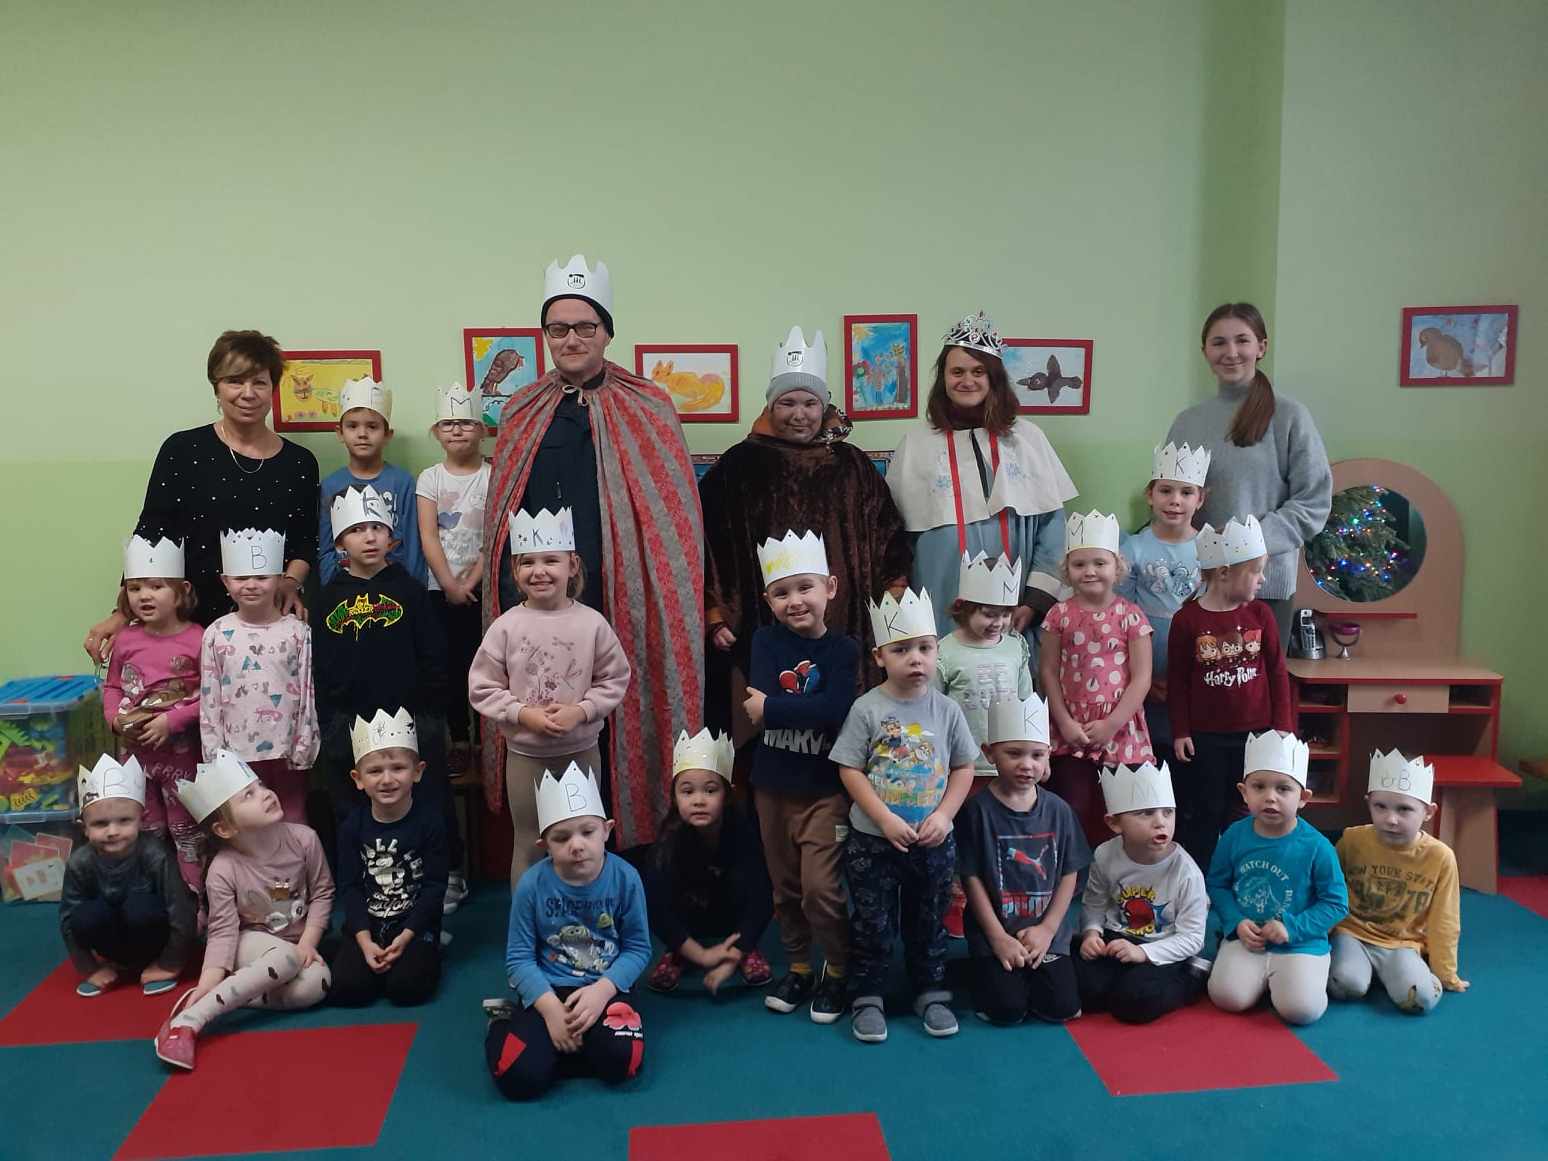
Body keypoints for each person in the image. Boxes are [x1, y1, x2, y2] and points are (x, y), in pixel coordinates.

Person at [483, 255, 703, 848]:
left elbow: (673, 520)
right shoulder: (522, 409)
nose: (572, 339)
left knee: (617, 708)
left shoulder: (648, 404)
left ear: (607, 332)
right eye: (558, 328)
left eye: (586, 326)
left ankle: (629, 848)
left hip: (624, 591)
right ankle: (554, 857)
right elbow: (505, 512)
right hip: (540, 597)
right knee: (548, 723)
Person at [699, 326, 909, 715]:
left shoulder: (851, 464)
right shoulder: (738, 467)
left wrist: (894, 592)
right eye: (787, 403)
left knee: (841, 711)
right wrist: (717, 612)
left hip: (846, 622)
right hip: (766, 623)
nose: (800, 415)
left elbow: (888, 534)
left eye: (810, 403)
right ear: (770, 406)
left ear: (824, 406)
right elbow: (708, 543)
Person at [84, 330, 318, 663]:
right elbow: (153, 531)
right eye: (234, 381)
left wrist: (291, 583)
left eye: (259, 382)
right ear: (216, 387)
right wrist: (123, 612)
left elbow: (305, 540)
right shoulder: (182, 450)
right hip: (185, 624)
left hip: (267, 624)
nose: (248, 393)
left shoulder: (300, 462)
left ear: (273, 388)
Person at [829, 588, 978, 1043]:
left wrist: (946, 816)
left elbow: (964, 767)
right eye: (901, 650)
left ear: (937, 652)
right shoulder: (867, 709)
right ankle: (868, 994)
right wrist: (883, 819)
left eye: (925, 648)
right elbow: (849, 769)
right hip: (873, 841)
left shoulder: (947, 710)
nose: (916, 659)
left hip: (932, 841)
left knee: (928, 918)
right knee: (872, 922)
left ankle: (930, 990)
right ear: (880, 657)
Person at [886, 312, 1077, 646]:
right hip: (940, 594)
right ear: (943, 378)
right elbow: (895, 533)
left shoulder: (1027, 439)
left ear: (994, 378)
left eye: (978, 372)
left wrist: (1035, 601)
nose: (967, 381)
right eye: (957, 371)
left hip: (1013, 603)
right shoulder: (916, 443)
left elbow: (1052, 530)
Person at [468, 507, 630, 884]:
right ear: (515, 571)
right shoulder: (505, 627)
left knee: (583, 841)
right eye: (528, 562)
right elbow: (482, 686)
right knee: (529, 843)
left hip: (581, 752)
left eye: (550, 561)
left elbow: (615, 678)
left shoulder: (592, 624)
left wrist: (582, 711)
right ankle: (528, 918)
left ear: (572, 565)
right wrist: (523, 714)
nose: (539, 571)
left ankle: (585, 912)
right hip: (526, 758)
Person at [312, 486, 459, 890]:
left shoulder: (410, 590)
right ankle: (366, 879)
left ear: (391, 537)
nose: (369, 537)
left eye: (377, 528)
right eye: (357, 530)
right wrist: (330, 720)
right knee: (354, 801)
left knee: (427, 795)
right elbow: (321, 665)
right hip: (349, 721)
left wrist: (431, 713)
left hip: (411, 717)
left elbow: (433, 654)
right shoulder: (327, 599)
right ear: (340, 542)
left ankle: (442, 874)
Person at [741, 531, 859, 1023]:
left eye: (805, 587)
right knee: (785, 888)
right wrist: (780, 709)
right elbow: (758, 708)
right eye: (781, 592)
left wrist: (774, 708)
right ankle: (798, 966)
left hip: (825, 792)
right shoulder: (764, 641)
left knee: (821, 890)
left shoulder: (844, 650)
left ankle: (838, 968)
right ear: (768, 599)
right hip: (772, 788)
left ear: (830, 587)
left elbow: (835, 711)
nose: (795, 601)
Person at [155, 752, 334, 1071]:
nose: (265, 794)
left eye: (260, 785)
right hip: (249, 943)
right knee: (287, 957)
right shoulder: (223, 869)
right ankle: (191, 1020)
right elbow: (223, 931)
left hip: (295, 945)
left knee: (318, 983)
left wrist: (308, 941)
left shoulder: (305, 839)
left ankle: (235, 995)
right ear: (225, 828)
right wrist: (209, 980)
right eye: (248, 795)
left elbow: (322, 893)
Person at [1166, 303, 1332, 643]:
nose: (1231, 352)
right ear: (1205, 351)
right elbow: (1171, 495)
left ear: (1261, 347)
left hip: (1263, 587)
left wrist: (1247, 543)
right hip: (1199, 584)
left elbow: (1313, 502)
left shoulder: (1290, 416)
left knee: (1258, 679)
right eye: (1219, 342)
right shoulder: (1187, 422)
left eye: (1242, 340)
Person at [485, 763, 649, 1101]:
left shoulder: (626, 879)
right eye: (561, 838)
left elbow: (637, 949)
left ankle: (564, 1050)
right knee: (518, 1077)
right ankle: (503, 1024)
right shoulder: (532, 885)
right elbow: (518, 958)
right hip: (549, 989)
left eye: (587, 832)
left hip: (605, 987)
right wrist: (550, 1010)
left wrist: (602, 991)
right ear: (544, 844)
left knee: (624, 1063)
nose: (576, 845)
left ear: (607, 830)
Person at [1166, 514, 1293, 869]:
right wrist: (1181, 731)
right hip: (1206, 737)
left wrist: (1282, 726)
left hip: (1256, 735)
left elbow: (1277, 671)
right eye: (1256, 572)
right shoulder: (1187, 620)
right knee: (1206, 808)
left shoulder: (1261, 614)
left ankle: (1246, 869)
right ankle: (1201, 877)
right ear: (1224, 573)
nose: (1262, 579)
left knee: (1246, 810)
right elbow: (1177, 679)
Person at [956, 695, 1089, 1026]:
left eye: (1037, 755)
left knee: (1061, 1008)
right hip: (995, 931)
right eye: (1014, 753)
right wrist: (997, 937)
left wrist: (1047, 929)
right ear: (989, 753)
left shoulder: (1059, 811)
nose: (1027, 765)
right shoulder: (976, 812)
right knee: (1006, 1009)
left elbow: (1069, 872)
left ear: (1048, 756)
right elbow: (971, 878)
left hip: (1046, 932)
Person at [1206, 731, 1347, 1026]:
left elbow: (1336, 904)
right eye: (1259, 787)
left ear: (1303, 798)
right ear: (1244, 792)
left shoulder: (1317, 846)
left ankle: (1300, 977)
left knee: (1302, 1011)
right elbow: (1217, 884)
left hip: (1300, 942)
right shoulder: (1234, 835)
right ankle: (1264, 977)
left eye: (1283, 788)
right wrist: (1235, 922)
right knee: (1227, 997)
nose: (1270, 796)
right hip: (1248, 938)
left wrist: (1292, 928)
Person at [1040, 512, 1154, 845]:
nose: (1089, 571)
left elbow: (1142, 677)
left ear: (1117, 567)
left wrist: (1111, 724)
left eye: (1099, 563)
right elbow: (1047, 671)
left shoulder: (1130, 616)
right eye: (1079, 564)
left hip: (1121, 728)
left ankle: (1116, 868)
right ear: (1067, 570)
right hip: (1069, 727)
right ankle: (1073, 868)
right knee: (1072, 806)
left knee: (1118, 809)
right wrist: (1064, 723)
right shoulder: (1058, 615)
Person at [103, 535, 205, 893]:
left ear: (181, 591)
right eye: (135, 588)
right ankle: (150, 899)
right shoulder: (126, 640)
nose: (144, 596)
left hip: (182, 759)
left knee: (186, 832)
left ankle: (195, 902)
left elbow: (213, 696)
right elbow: (112, 685)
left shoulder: (199, 639)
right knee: (145, 829)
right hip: (135, 756)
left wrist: (171, 721)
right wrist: (114, 718)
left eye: (156, 586)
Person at [1329, 750, 1466, 1014]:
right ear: (1369, 803)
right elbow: (1327, 892)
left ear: (1428, 811)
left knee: (1420, 1001)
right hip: (1352, 934)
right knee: (1345, 986)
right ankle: (1370, 974)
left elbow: (1445, 919)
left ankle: (1409, 976)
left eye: (1404, 809)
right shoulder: (1352, 840)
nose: (1391, 819)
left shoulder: (1440, 857)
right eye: (1380, 806)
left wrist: (1445, 972)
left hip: (1402, 944)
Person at [198, 528, 318, 825]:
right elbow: (210, 698)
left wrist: (304, 746)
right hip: (237, 754)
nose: (251, 585)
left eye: (262, 577)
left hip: (287, 752)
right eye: (240, 578)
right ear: (226, 581)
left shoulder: (297, 632)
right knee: (247, 823)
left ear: (279, 579)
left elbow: (307, 691)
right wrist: (214, 755)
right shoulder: (216, 634)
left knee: (293, 818)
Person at [328, 709, 447, 1008]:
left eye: (398, 768)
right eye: (375, 771)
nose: (387, 779)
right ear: (358, 779)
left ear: (417, 771)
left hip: (413, 926)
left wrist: (407, 936)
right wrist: (364, 940)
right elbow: (350, 887)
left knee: (406, 990)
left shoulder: (430, 823)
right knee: (349, 989)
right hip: (368, 924)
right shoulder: (352, 827)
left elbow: (434, 887)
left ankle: (427, 950)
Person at [1076, 762, 1209, 1024]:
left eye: (1168, 812)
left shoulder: (1186, 872)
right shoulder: (1105, 854)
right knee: (1084, 990)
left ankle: (1193, 974)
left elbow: (1193, 937)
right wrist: (1092, 933)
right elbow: (1094, 903)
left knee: (1134, 1002)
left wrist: (1144, 954)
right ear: (1114, 823)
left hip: (1165, 945)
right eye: (1146, 813)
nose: (1160, 822)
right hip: (1118, 938)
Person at [643, 729, 773, 994]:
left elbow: (762, 897)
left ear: (727, 795)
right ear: (674, 798)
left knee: (747, 881)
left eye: (710, 790)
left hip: (730, 914)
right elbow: (656, 908)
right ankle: (680, 952)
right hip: (690, 915)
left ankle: (745, 948)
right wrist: (700, 955)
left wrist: (737, 951)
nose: (699, 800)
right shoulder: (668, 840)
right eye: (687, 792)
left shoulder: (743, 832)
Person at [60, 756, 194, 998]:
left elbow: (180, 912)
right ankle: (118, 964)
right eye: (100, 824)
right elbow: (68, 920)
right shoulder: (79, 862)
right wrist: (90, 968)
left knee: (140, 906)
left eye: (124, 821)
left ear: (140, 820)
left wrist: (170, 963)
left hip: (153, 938)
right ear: (84, 828)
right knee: (84, 915)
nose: (113, 831)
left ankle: (155, 963)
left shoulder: (156, 855)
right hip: (112, 944)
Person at [416, 383, 490, 773]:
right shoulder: (430, 478)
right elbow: (428, 535)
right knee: (449, 667)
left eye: (466, 422)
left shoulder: (493, 476)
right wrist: (448, 584)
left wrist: (471, 582)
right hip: (438, 590)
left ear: (482, 430)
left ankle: (487, 739)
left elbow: (494, 536)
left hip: (483, 590)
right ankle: (459, 739)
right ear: (436, 432)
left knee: (486, 662)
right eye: (448, 423)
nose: (457, 430)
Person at [1118, 442, 1209, 755]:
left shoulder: (1210, 548)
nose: (1175, 500)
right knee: (1151, 741)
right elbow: (1122, 613)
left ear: (1200, 499)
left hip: (1196, 657)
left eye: (1186, 492)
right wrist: (1140, 676)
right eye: (1165, 491)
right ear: (1150, 495)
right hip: (1146, 654)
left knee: (1188, 743)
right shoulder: (1134, 548)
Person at [318, 377, 427, 586]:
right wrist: (331, 591)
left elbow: (413, 546)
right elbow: (326, 548)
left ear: (387, 435)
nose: (362, 434)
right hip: (347, 589)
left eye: (372, 426)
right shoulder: (331, 485)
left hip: (397, 586)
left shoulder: (403, 482)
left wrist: (414, 591)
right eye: (352, 426)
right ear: (340, 433)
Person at [936, 551, 1033, 777]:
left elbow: (1026, 702)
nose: (998, 623)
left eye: (1006, 615)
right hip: (960, 767)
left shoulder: (1015, 646)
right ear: (964, 608)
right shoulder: (944, 651)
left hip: (1009, 767)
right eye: (989, 615)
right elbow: (933, 708)